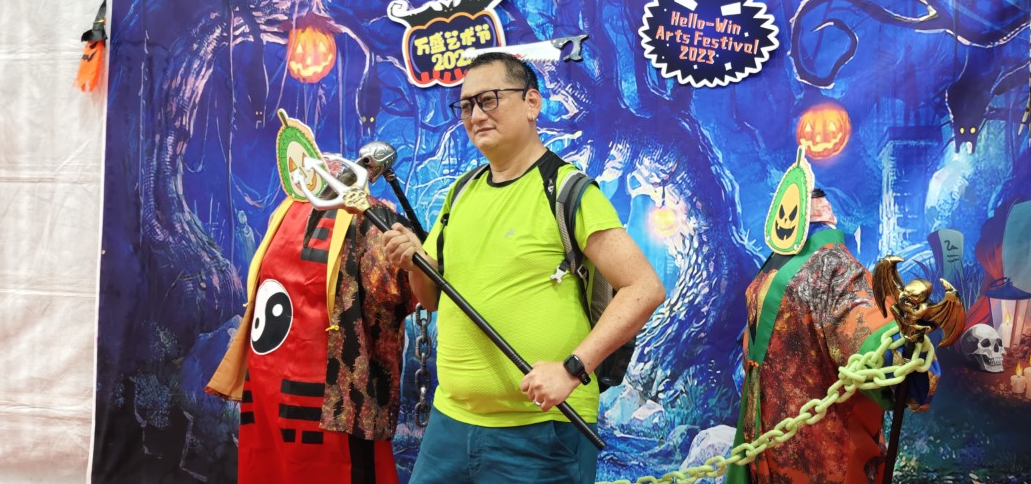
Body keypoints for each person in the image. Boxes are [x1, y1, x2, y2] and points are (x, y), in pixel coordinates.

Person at [379, 52, 666, 484]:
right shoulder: (461, 192)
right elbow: (431, 299)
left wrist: (572, 369)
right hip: (449, 425)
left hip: (541, 432)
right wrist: (413, 261)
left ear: (532, 103)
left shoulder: (567, 190)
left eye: (489, 99)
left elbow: (644, 288)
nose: (476, 115)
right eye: (466, 105)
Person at [208, 114, 417, 484]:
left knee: (276, 468)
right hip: (320, 395)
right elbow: (398, 292)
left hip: (276, 385)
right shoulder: (360, 215)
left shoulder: (292, 211)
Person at [729, 166, 938, 484]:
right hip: (823, 453)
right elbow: (878, 347)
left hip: (766, 446)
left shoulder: (766, 274)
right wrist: (912, 358)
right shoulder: (835, 267)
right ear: (830, 216)